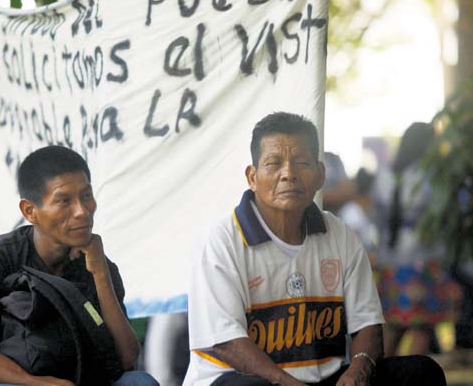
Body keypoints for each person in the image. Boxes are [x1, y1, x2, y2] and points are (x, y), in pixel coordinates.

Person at [182, 113, 446, 386]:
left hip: (323, 378)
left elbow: (368, 324)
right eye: (274, 163)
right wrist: (285, 382)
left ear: (320, 174)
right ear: (252, 177)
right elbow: (225, 342)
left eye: (301, 163)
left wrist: (358, 369)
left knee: (421, 371)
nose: (289, 174)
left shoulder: (339, 234)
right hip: (245, 379)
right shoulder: (222, 240)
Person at [0, 146, 159, 386]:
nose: (82, 211)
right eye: (64, 201)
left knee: (140, 382)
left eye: (87, 196)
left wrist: (100, 274)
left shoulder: (98, 264)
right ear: (30, 211)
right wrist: (42, 384)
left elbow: (127, 359)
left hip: (73, 378)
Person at [371, 122, 461, 356]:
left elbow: (376, 219)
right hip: (424, 258)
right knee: (422, 326)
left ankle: (382, 376)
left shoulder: (385, 174)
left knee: (393, 326)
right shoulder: (429, 175)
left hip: (390, 259)